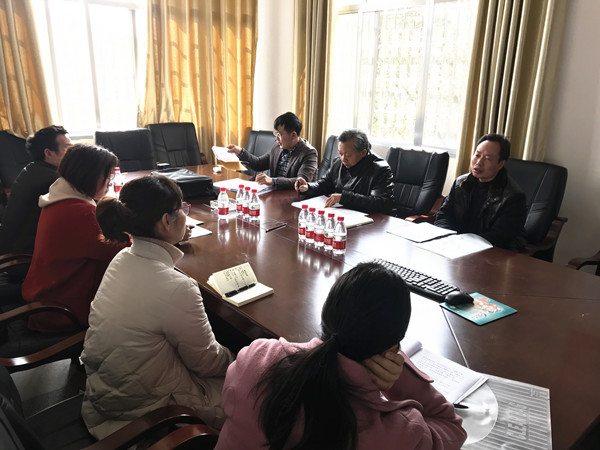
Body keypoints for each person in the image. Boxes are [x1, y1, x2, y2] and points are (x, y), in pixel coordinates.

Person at [216, 262, 467, 449]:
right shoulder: (397, 430)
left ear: (327, 314)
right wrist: (398, 372)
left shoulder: (257, 358)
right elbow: (452, 429)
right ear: (391, 349)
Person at [81, 174, 234, 439]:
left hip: (107, 396)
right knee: (263, 390)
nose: (185, 215)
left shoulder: (122, 258)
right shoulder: (177, 287)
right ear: (166, 222)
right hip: (150, 412)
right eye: (182, 209)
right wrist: (241, 357)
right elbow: (207, 364)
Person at [21, 144, 129, 332]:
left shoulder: (59, 197)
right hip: (61, 311)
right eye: (107, 177)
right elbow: (119, 250)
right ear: (89, 176)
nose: (109, 183)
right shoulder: (80, 212)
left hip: (45, 296)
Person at [434, 133, 527, 250]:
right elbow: (444, 215)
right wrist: (449, 237)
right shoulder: (460, 183)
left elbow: (500, 237)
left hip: (489, 253)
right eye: (477, 155)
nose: (478, 162)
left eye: (487, 158)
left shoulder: (514, 197)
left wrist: (464, 243)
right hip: (455, 246)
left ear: (500, 164)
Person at [0, 125, 71, 254]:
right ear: (48, 153)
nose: (73, 152)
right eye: (67, 148)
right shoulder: (52, 181)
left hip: (10, 245)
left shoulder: (33, 169)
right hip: (23, 255)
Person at [295, 129, 395, 214]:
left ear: (363, 153)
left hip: (373, 221)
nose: (343, 159)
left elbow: (380, 203)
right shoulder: (338, 162)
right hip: (345, 214)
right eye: (340, 153)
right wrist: (308, 187)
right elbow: (324, 185)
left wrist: (344, 198)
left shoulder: (380, 169)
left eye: (348, 155)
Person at [227, 112, 318, 189]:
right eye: (275, 134)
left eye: (279, 134)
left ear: (293, 135)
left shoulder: (309, 153)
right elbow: (258, 164)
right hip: (275, 195)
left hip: (296, 198)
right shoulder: (277, 147)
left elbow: (301, 181)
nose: (276, 138)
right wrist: (240, 152)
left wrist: (273, 181)